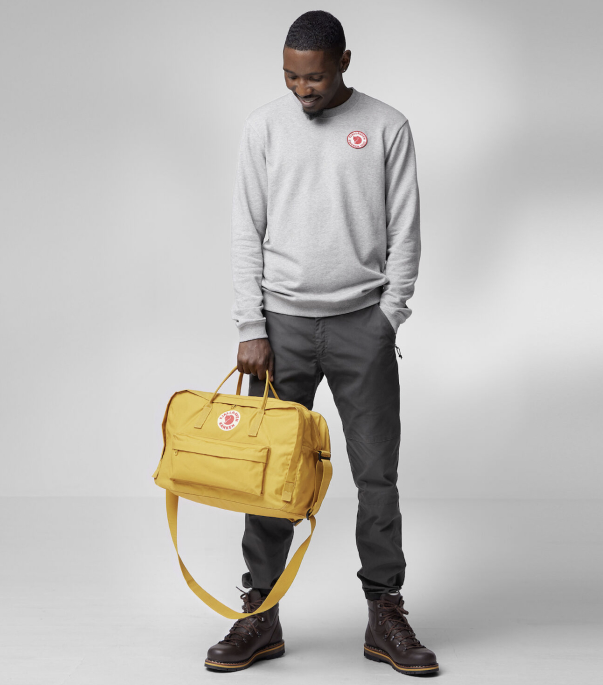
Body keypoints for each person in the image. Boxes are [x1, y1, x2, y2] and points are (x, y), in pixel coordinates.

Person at [204, 10, 438, 676]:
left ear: (343, 63)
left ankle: (384, 611)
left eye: (313, 77)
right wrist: (250, 325)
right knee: (268, 474)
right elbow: (245, 229)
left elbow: (405, 228)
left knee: (377, 475)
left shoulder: (387, 126)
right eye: (290, 76)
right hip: (279, 328)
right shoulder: (263, 127)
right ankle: (260, 612)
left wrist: (388, 316)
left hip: (362, 323)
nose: (301, 90)